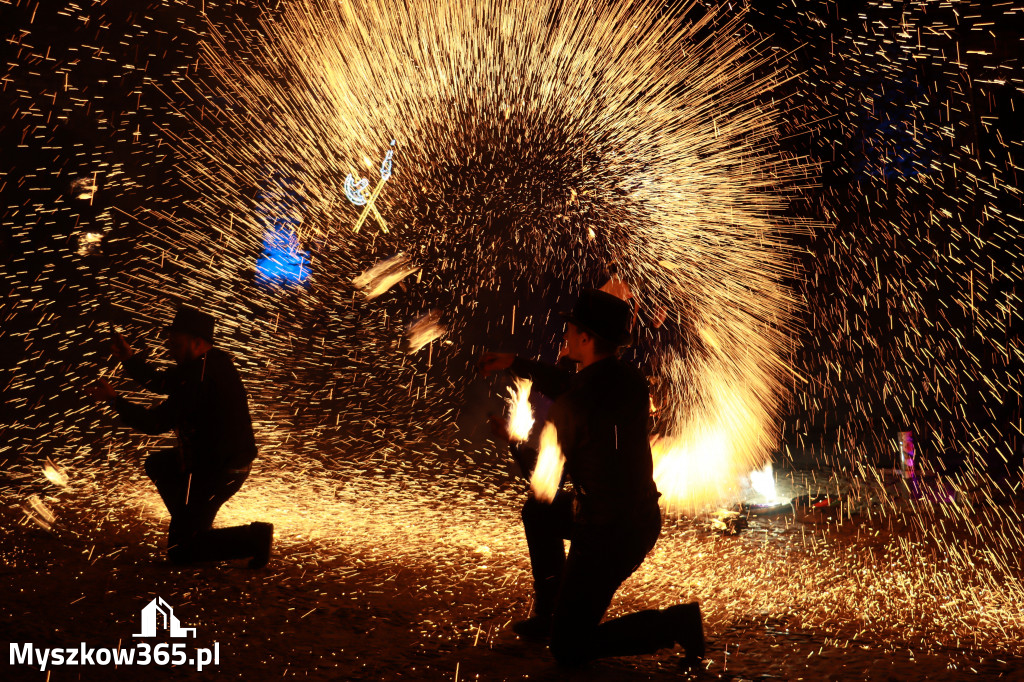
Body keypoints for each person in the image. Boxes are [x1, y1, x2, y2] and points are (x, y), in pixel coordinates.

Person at [478, 289, 704, 667]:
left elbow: (545, 486)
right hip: (639, 519)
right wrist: (516, 362)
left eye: (570, 328)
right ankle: (551, 614)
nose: (564, 333)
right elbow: (576, 385)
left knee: (568, 647)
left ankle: (676, 624)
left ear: (584, 337)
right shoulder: (630, 382)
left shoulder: (570, 409)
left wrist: (515, 441)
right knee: (537, 514)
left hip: (606, 534)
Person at [87, 306, 273, 568]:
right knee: (159, 464)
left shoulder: (200, 377)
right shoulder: (210, 361)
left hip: (219, 471)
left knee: (182, 551)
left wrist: (115, 402)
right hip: (211, 462)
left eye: (175, 341)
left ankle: (254, 538)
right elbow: (161, 383)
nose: (169, 346)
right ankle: (192, 522)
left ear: (197, 342)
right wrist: (128, 358)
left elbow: (155, 422)